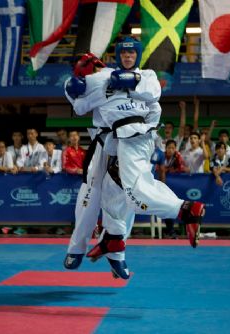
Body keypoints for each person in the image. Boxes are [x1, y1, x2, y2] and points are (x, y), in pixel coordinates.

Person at [66, 38, 205, 279]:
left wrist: (134, 81)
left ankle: (183, 211)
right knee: (104, 195)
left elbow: (155, 97)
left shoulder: (145, 76)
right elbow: (79, 104)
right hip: (108, 141)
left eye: (132, 53)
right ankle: (107, 242)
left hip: (135, 135)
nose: (128, 56)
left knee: (132, 193)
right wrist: (72, 86)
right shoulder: (102, 82)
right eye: (124, 53)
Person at [63, 52, 115, 271]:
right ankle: (76, 248)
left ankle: (116, 253)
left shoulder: (119, 74)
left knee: (124, 198)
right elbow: (78, 107)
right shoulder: (77, 83)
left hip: (130, 142)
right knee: (89, 193)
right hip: (102, 141)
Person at [160, 139, 186, 238]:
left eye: (173, 148)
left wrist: (170, 170)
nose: (171, 150)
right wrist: (167, 170)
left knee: (170, 206)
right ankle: (170, 231)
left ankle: (170, 230)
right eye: (169, 148)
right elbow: (157, 168)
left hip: (171, 187)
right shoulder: (160, 155)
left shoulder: (177, 156)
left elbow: (181, 168)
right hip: (158, 185)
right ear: (165, 148)